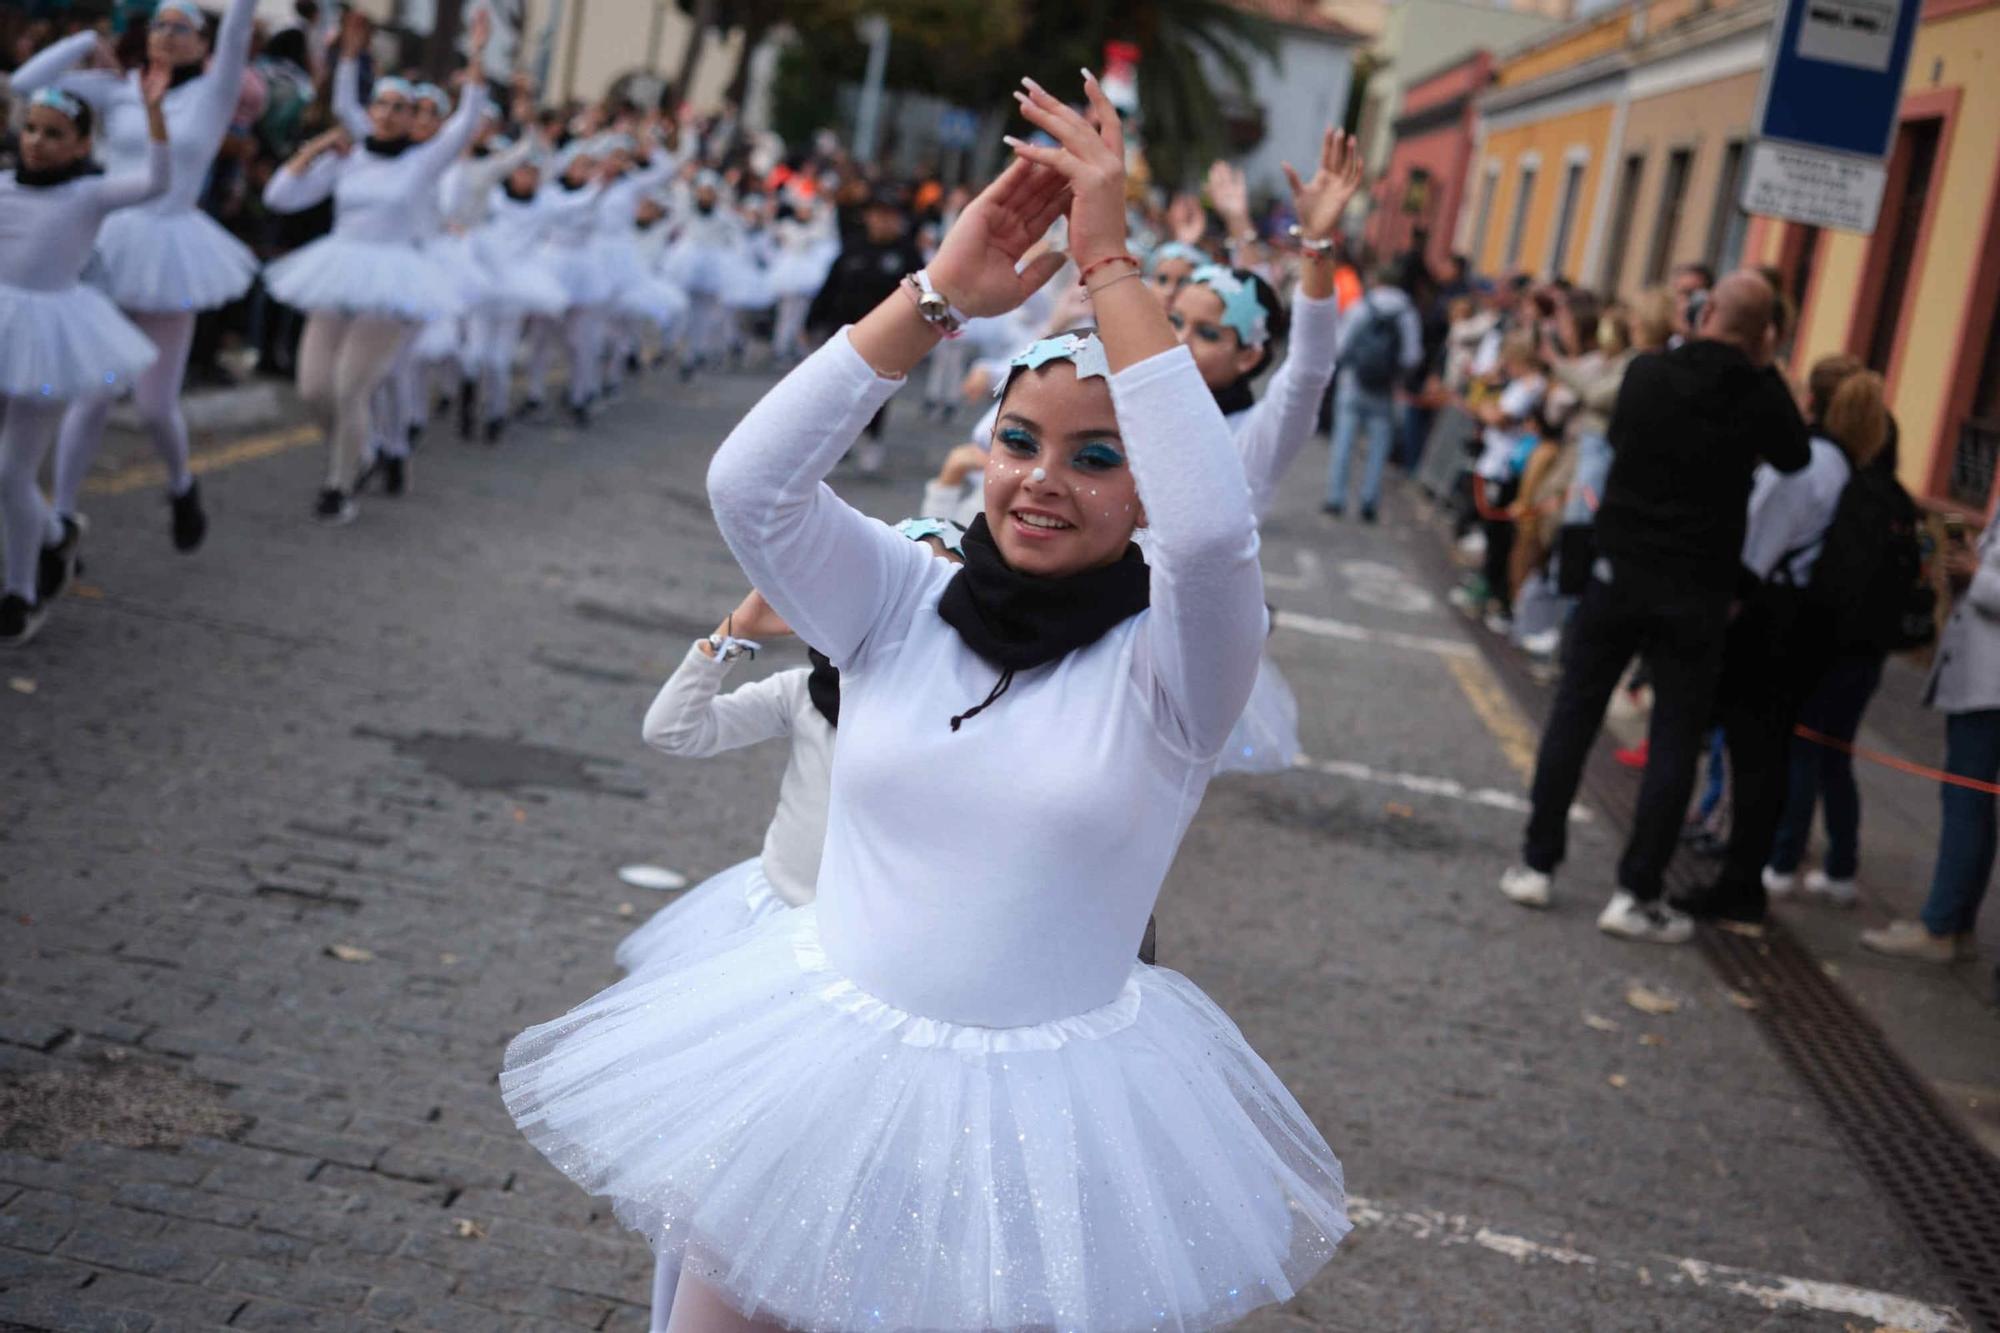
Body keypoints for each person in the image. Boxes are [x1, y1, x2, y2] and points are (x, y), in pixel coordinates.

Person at [502, 72, 1347, 1332]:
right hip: (809, 1068)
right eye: (1019, 442)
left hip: (1030, 1133)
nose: (1039, 481)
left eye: (1096, 456)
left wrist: (1112, 267)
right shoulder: (902, 598)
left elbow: (1214, 538)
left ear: (1149, 483)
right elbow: (752, 489)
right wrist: (936, 298)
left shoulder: (1176, 670)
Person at [1498, 271, 1809, 943]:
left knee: (1574, 714)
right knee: (1672, 737)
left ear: (1703, 312)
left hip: (1621, 568)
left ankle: (1535, 861)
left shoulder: (1647, 374)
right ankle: (1636, 891)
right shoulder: (1757, 392)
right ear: (1765, 334)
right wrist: (1762, 363)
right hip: (1697, 589)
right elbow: (1795, 453)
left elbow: (1628, 439)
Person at [14, 0, 257, 554]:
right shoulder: (117, 88)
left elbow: (240, 28)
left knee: (152, 406)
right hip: (106, 243)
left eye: (183, 28)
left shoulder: (214, 92)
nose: (168, 35)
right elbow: (28, 82)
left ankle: (181, 484)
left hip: (171, 249)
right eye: (160, 24)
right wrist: (83, 44)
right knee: (91, 392)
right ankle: (64, 519)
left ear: (204, 45)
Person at [1673, 365, 1886, 927]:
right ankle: (1747, 874)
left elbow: (1754, 551)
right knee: (1768, 756)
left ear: (1811, 401)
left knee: (1748, 755)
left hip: (1767, 625)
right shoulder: (1847, 467)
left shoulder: (1804, 464)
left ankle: (1738, 878)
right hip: (1809, 630)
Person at [260, 11, 489, 522]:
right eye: (381, 104)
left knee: (350, 388)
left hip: (391, 282)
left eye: (401, 107)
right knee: (314, 389)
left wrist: (476, 56)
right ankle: (364, 451)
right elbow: (279, 195)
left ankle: (340, 484)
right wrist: (321, 141)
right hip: (336, 273)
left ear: (414, 119)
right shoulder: (348, 157)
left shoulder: (424, 161)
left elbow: (467, 120)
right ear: (370, 110)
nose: (388, 113)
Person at [1, 72, 171, 645]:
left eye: (53, 134)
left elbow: (156, 179)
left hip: (53, 337)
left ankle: (20, 593)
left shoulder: (89, 194)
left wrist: (154, 116)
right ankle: (54, 535)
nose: (36, 142)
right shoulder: (3, 186)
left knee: (12, 472)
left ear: (80, 145)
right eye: (30, 129)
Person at [1762, 358, 1893, 904]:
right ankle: (1842, 866)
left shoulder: (1829, 471)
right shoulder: (1891, 488)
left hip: (1825, 633)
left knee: (1803, 748)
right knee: (1837, 754)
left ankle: (1783, 861)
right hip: (1872, 643)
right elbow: (1937, 548)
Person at [1861, 511, 1999, 961]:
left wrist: (1977, 577)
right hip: (1979, 678)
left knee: (1965, 802)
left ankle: (1940, 927)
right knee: (1970, 805)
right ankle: (1953, 923)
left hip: (1990, 687)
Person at [1323, 259, 1422, 521]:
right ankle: (1369, 500)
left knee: (1343, 440)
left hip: (1353, 382)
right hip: (1385, 388)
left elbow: (1341, 345)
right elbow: (1412, 356)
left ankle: (1336, 497)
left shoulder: (1362, 307)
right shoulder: (1407, 313)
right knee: (1379, 445)